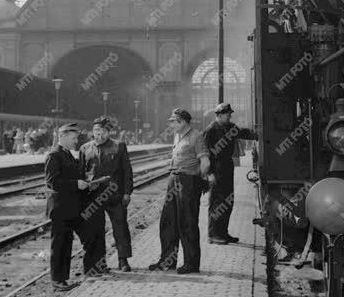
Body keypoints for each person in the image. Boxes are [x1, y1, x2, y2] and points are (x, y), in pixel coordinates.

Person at [148, 109, 210, 274]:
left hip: (188, 182)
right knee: (168, 222)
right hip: (173, 179)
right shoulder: (177, 135)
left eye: (173, 121)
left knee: (187, 223)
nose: (171, 124)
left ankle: (191, 263)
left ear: (183, 122)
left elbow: (205, 162)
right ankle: (167, 261)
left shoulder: (196, 136)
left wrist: (199, 181)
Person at [45, 123, 103, 292]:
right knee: (60, 246)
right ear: (62, 136)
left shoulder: (68, 155)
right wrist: (76, 184)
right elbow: (52, 182)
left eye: (77, 138)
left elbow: (73, 177)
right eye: (73, 138)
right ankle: (58, 281)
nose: (76, 141)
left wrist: (86, 183)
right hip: (60, 209)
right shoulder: (54, 155)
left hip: (72, 208)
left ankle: (90, 270)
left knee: (89, 236)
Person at [79, 116, 134, 272]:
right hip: (93, 196)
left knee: (120, 227)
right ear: (92, 131)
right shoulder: (85, 149)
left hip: (115, 195)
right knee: (96, 230)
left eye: (103, 131)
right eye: (97, 131)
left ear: (109, 132)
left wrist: (127, 193)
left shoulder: (119, 146)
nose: (100, 134)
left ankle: (123, 261)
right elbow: (81, 173)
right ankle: (100, 262)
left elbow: (127, 171)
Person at [203, 103, 258, 244]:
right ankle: (213, 235)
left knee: (228, 201)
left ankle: (223, 233)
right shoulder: (211, 130)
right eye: (228, 114)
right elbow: (204, 154)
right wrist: (209, 173)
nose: (230, 116)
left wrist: (258, 134)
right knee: (217, 202)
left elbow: (243, 133)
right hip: (216, 168)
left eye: (230, 114)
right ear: (219, 115)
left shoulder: (230, 127)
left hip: (227, 166)